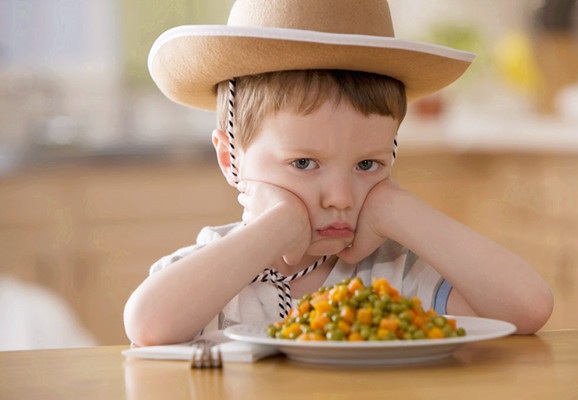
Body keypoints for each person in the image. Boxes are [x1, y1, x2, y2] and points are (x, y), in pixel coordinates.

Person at [124, 0, 553, 346]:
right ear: (229, 160)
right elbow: (147, 325)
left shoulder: (394, 277)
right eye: (303, 164)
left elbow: (527, 309)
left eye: (368, 165)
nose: (341, 197)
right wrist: (278, 225)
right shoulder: (209, 276)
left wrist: (396, 208)